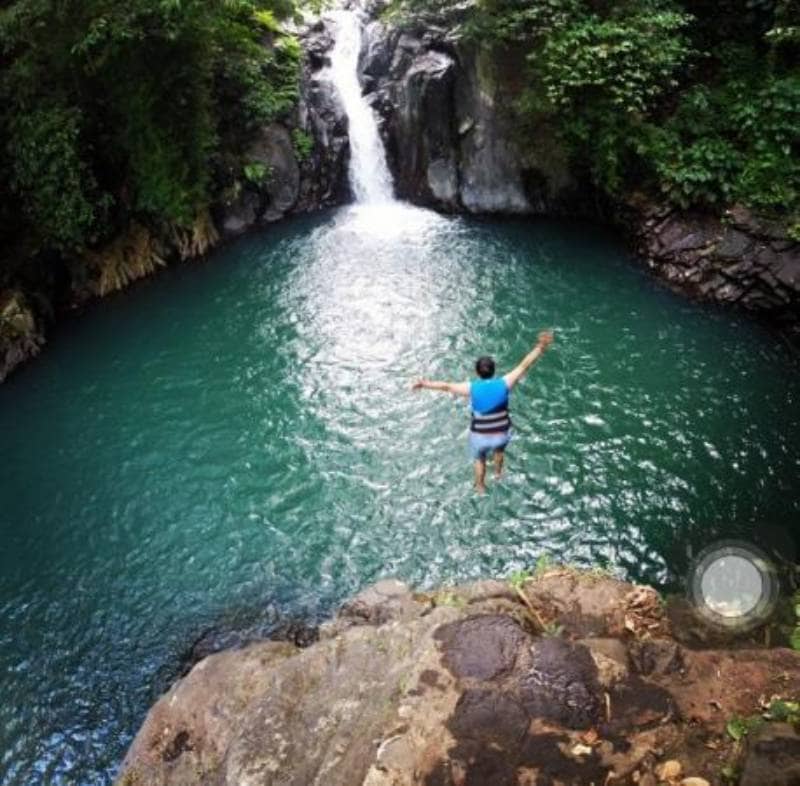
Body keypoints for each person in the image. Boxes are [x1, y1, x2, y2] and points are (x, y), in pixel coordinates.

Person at [412, 331, 554, 493]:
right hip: (500, 435)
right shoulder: (505, 383)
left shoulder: (471, 388)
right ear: (494, 371)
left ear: (477, 372)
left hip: (480, 437)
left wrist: (423, 384)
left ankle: (480, 486)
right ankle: (499, 474)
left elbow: (446, 386)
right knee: (499, 451)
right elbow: (525, 364)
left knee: (480, 460)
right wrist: (541, 346)